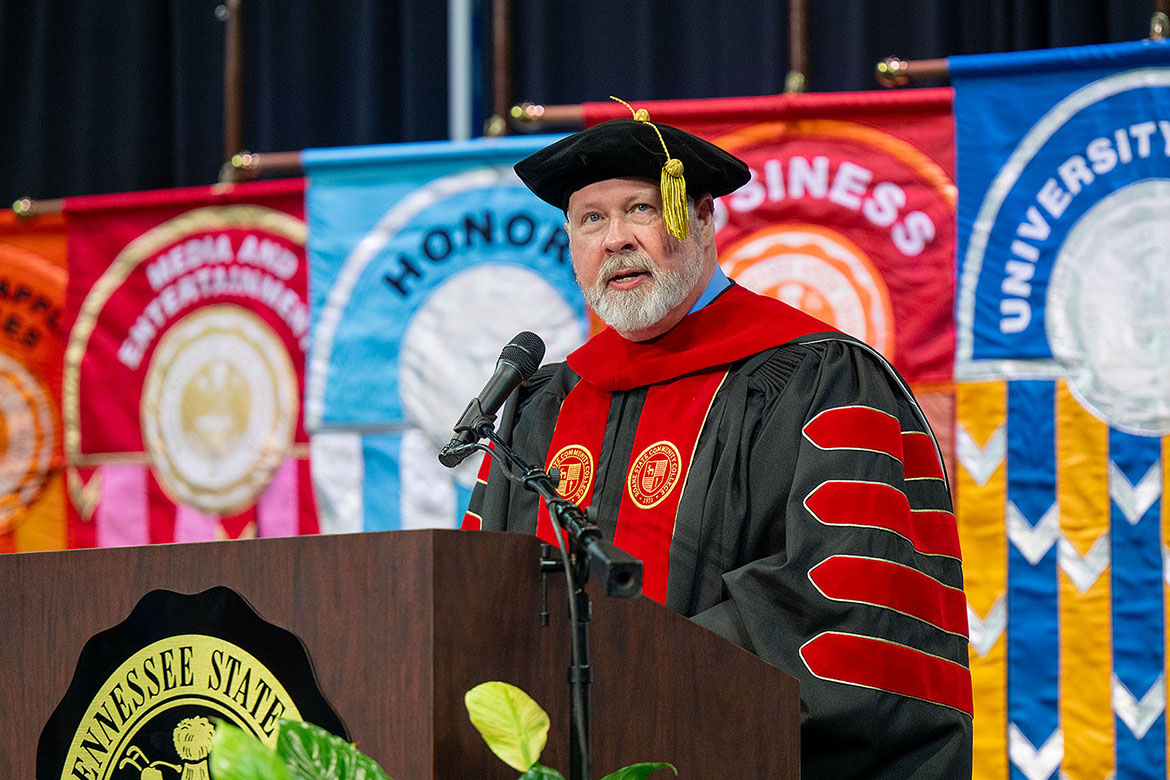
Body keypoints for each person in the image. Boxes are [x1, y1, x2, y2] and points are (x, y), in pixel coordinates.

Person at [461, 110, 973, 779]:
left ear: (703, 218)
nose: (615, 240)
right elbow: (481, 595)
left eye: (640, 209)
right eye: (591, 219)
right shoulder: (542, 407)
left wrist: (623, 686)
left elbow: (844, 607)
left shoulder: (820, 381)